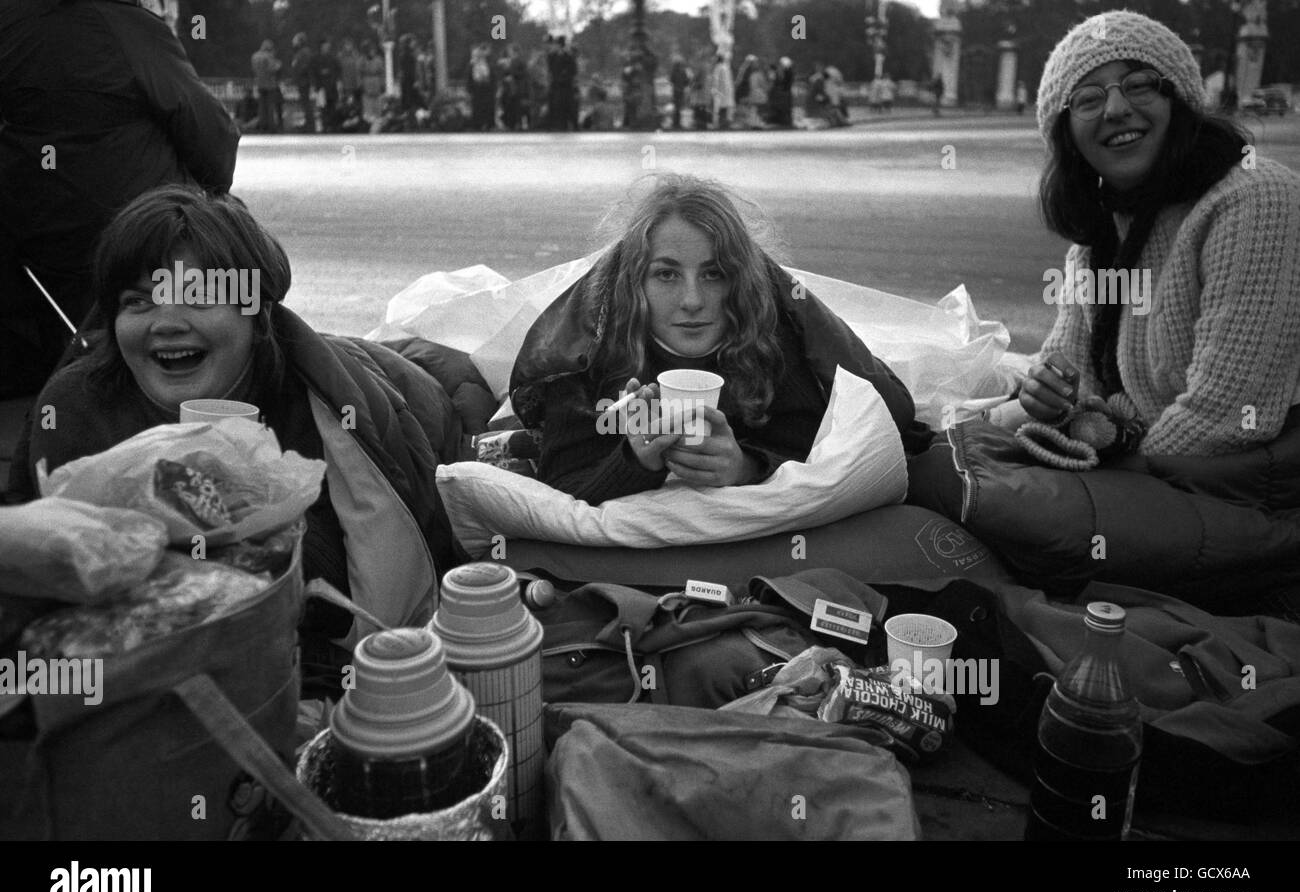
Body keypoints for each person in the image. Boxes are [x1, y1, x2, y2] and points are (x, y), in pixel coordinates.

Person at [15, 187, 488, 698]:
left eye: (198, 296)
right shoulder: (74, 411)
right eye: (137, 302)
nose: (166, 322)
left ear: (256, 315)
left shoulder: (329, 411)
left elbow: (379, 602)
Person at [907, 11, 1300, 617]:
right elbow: (1069, 385)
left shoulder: (1255, 200)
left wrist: (1089, 460)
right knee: (928, 460)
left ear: (1183, 103)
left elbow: (1227, 419)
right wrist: (1046, 399)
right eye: (1089, 98)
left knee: (957, 487)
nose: (1116, 108)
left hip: (1244, 496)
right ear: (1068, 133)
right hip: (1154, 476)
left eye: (1140, 85)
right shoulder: (1094, 246)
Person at [509, 175, 931, 505]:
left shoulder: (774, 344)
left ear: (741, 281)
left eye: (714, 274)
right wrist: (636, 460)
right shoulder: (591, 355)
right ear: (633, 282)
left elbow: (832, 459)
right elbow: (560, 486)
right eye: (666, 274)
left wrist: (745, 467)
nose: (692, 301)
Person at [0, 0, 240, 400]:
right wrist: (210, 202)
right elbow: (211, 133)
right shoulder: (124, 25)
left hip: (31, 246)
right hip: (136, 237)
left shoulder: (9, 26)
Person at [251, 39, 282, 132]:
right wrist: (279, 65)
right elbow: (272, 69)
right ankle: (270, 126)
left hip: (260, 83)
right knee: (270, 107)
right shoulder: (268, 56)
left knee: (261, 107)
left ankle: (262, 126)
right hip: (270, 84)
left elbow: (253, 70)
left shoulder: (254, 56)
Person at [313, 38, 342, 132]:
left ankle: (333, 127)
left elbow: (338, 71)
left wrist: (336, 81)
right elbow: (314, 72)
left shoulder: (333, 58)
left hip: (332, 88)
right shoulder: (316, 59)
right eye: (324, 46)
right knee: (323, 108)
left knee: (332, 108)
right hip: (321, 88)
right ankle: (324, 126)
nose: (326, 48)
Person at [290, 32, 316, 132]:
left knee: (306, 103)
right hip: (301, 80)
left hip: (303, 81)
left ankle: (310, 124)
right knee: (304, 103)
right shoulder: (300, 52)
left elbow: (304, 66)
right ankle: (308, 123)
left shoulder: (304, 52)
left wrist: (300, 73)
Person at [360, 41, 385, 125]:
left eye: (373, 50)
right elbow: (359, 73)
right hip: (366, 81)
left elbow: (382, 72)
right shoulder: (362, 60)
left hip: (376, 82)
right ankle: (368, 120)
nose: (372, 52)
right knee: (367, 102)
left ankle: (378, 119)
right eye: (370, 50)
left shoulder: (378, 60)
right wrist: (361, 84)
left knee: (377, 102)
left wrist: (382, 84)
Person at [711, 54, 734, 130]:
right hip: (727, 92)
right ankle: (725, 124)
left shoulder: (718, 68)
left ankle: (721, 124)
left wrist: (714, 90)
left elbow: (716, 81)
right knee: (725, 108)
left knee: (720, 109)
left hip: (720, 92)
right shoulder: (726, 67)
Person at [669, 56, 690, 129]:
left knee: (676, 107)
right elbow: (687, 81)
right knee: (679, 107)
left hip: (676, 91)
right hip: (680, 91)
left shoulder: (674, 71)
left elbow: (671, 80)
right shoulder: (683, 71)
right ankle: (677, 122)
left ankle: (675, 122)